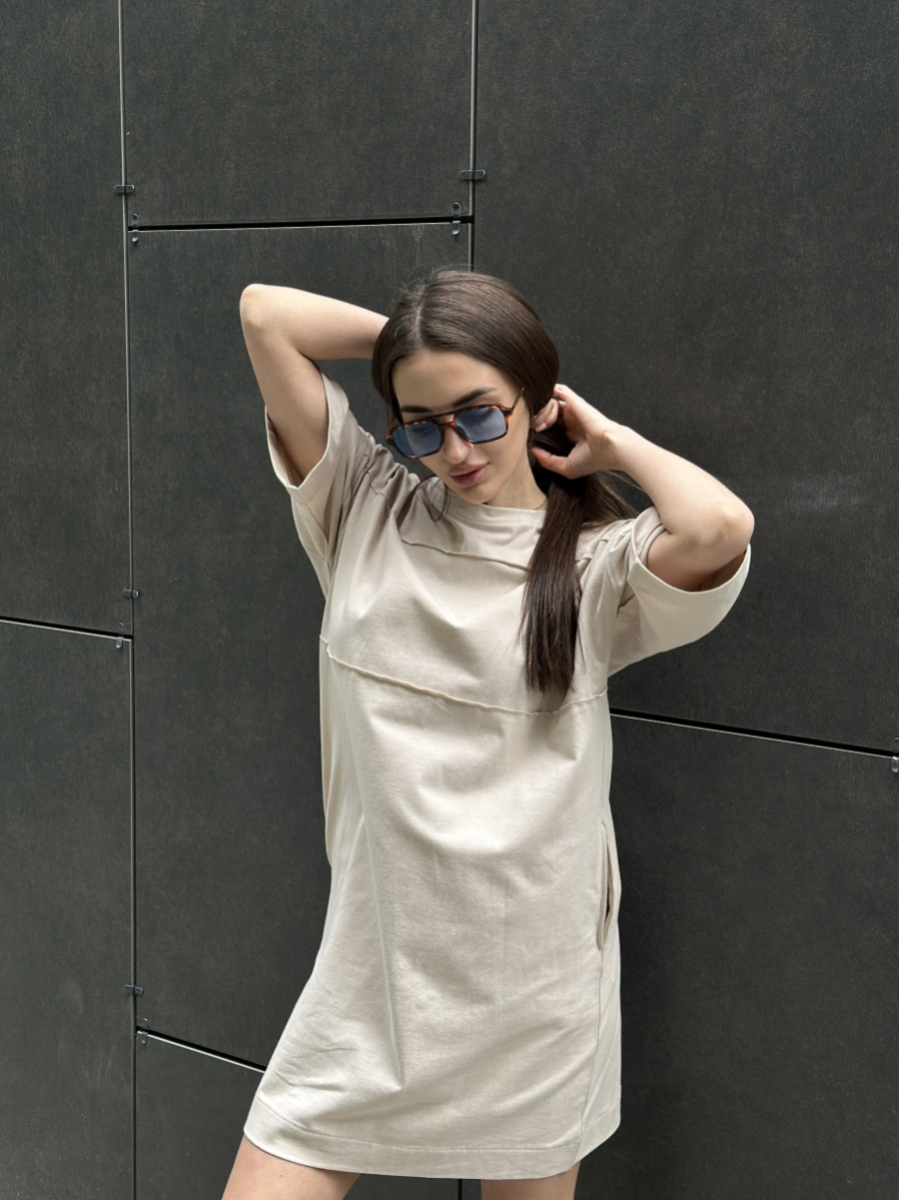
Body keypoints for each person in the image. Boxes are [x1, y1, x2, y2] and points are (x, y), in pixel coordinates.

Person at [223, 268, 753, 1200]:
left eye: (479, 414)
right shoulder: (361, 507)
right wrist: (418, 345)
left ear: (538, 400)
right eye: (421, 425)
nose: (454, 449)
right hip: (375, 979)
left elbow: (718, 527)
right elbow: (265, 311)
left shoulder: (594, 566)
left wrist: (611, 444)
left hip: (532, 988)